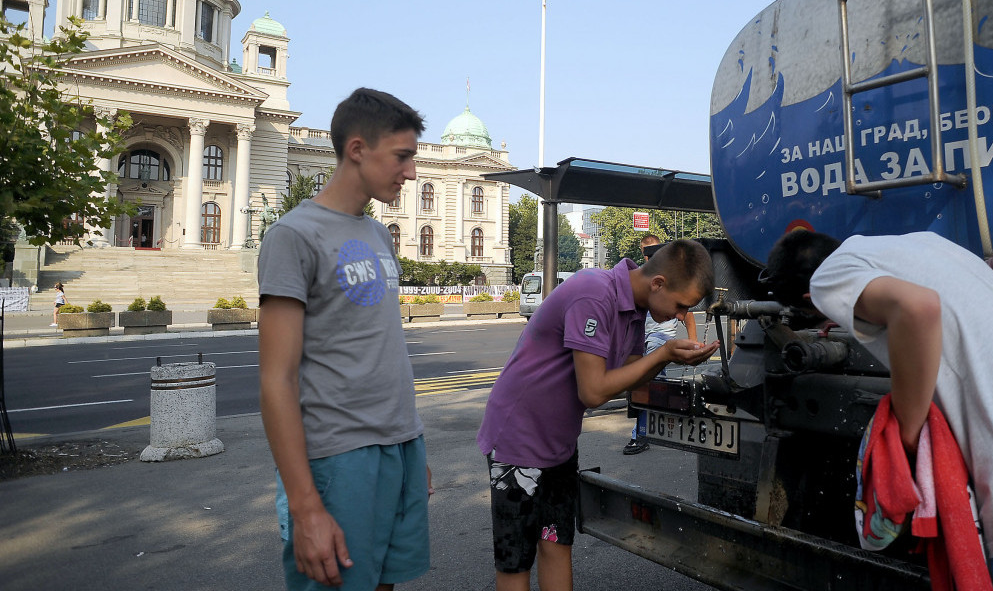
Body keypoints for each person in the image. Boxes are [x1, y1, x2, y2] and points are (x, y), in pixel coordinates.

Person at [762, 229, 993, 591]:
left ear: (811, 300)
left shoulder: (828, 278)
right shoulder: (927, 246)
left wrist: (906, 432)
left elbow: (917, 307)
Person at [258, 88, 432, 591]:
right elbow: (276, 379)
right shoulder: (294, 235)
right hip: (337, 459)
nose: (413, 171)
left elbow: (378, 348)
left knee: (385, 584)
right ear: (357, 149)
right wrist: (306, 505)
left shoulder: (377, 234)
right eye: (402, 157)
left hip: (399, 446)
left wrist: (409, 444)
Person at [478, 239, 720, 591]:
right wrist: (664, 354)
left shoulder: (637, 309)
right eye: (682, 306)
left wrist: (669, 358)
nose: (682, 317)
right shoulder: (594, 292)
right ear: (658, 283)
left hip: (558, 439)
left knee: (557, 542)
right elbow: (593, 392)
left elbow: (629, 370)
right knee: (516, 560)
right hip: (518, 434)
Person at [624, 234, 698, 455]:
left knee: (650, 383)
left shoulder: (668, 280)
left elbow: (688, 314)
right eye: (647, 253)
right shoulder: (642, 279)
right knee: (649, 386)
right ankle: (670, 419)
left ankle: (641, 433)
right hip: (644, 340)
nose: (649, 257)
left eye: (654, 252)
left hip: (660, 340)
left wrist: (693, 343)